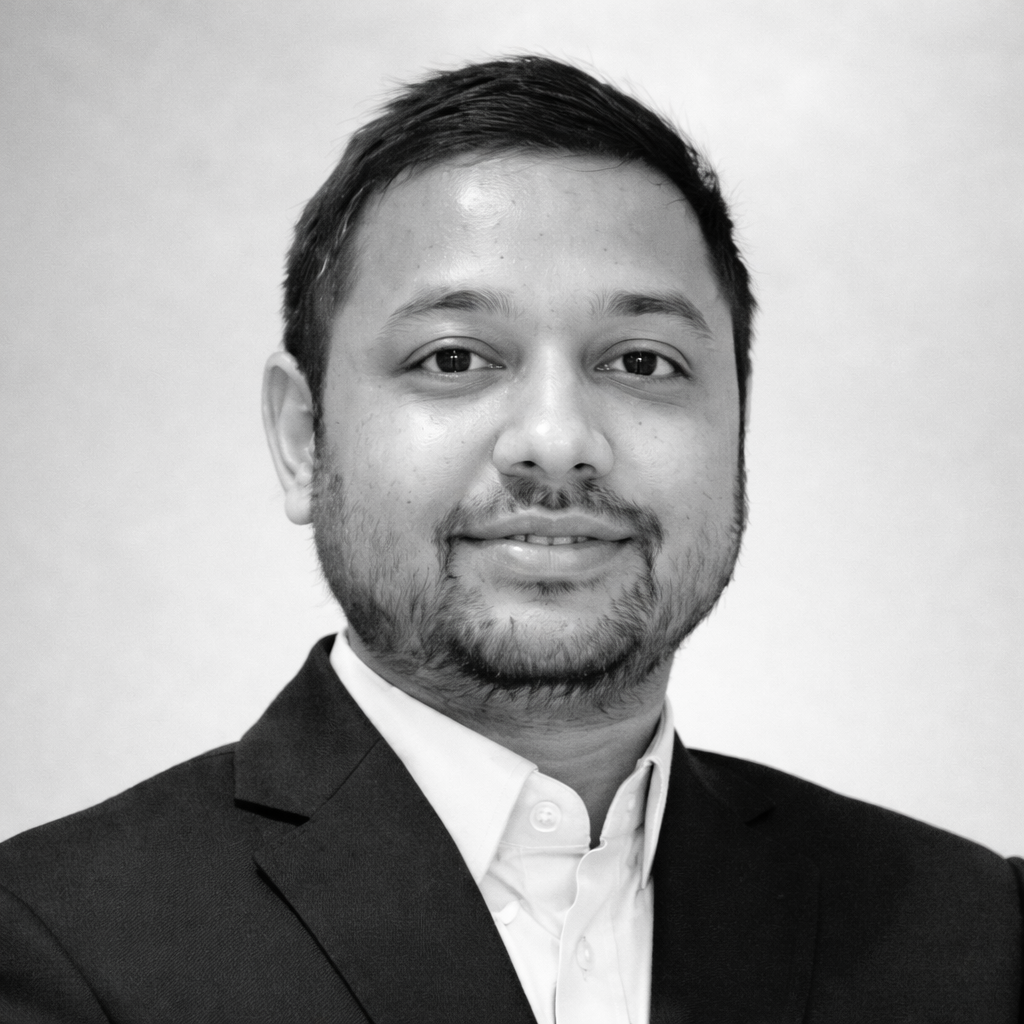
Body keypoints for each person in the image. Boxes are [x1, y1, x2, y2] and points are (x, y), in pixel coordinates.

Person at [0, 54, 1020, 1023]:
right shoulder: (58, 941)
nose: (557, 442)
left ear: (737, 427)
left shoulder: (974, 933)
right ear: (303, 438)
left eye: (642, 359)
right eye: (453, 357)